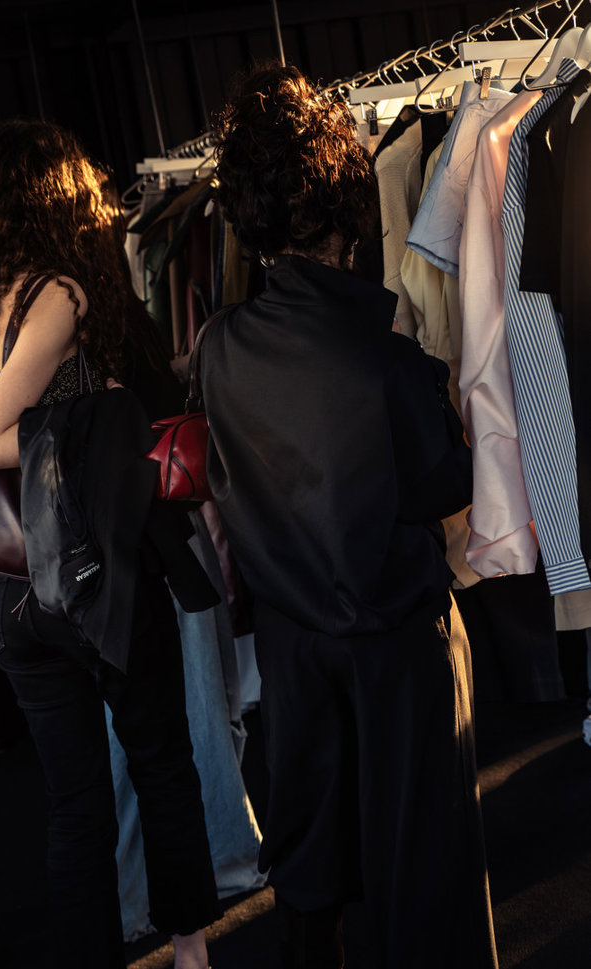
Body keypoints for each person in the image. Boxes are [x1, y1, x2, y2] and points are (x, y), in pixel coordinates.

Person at [200, 64, 499, 969]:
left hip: (293, 650)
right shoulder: (387, 364)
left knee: (312, 882)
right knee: (425, 885)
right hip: (395, 647)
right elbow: (448, 485)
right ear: (345, 202)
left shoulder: (219, 347)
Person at [0, 119, 219, 969]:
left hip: (9, 591)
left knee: (73, 799)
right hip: (90, 575)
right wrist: (108, 414)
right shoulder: (58, 293)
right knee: (161, 763)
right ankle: (193, 955)